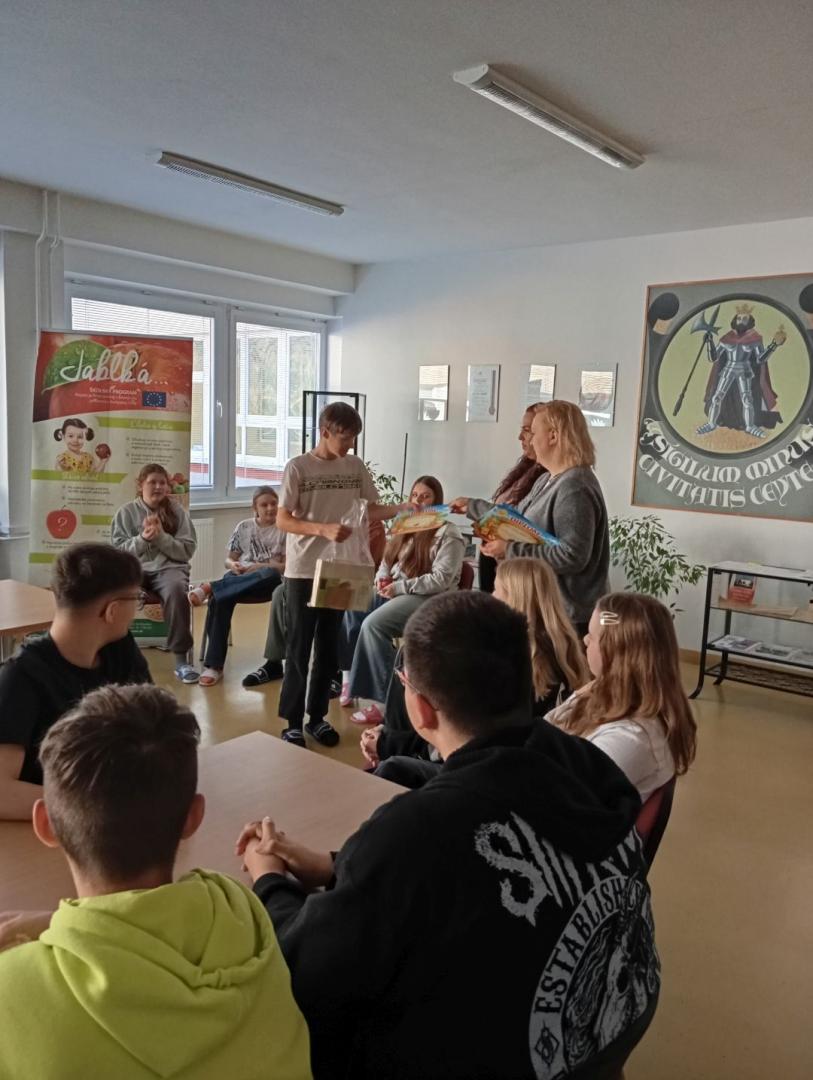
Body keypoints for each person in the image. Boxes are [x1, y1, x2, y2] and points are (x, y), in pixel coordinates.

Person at [237, 592, 660, 1079]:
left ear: (418, 707)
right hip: (611, 1041)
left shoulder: (418, 830)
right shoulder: (589, 769)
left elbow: (304, 971)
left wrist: (269, 879)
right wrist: (336, 865)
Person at [0, 684, 311, 1080]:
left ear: (45, 825)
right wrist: (55, 925)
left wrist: (58, 927)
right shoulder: (237, 908)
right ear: (193, 817)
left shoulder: (13, 989)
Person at [362, 556, 589, 789]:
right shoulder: (563, 654)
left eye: (497, 590)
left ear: (516, 599)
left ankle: (385, 741)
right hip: (515, 771)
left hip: (484, 775)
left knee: (409, 663)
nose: (490, 596)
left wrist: (388, 744)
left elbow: (463, 737)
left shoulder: (506, 664)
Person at [273, 402, 409, 748]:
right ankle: (292, 722)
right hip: (303, 570)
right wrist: (322, 529)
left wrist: (403, 509)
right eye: (344, 438)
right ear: (325, 432)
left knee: (329, 649)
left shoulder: (355, 466)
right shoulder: (298, 467)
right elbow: (282, 519)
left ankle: (317, 718)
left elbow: (371, 509)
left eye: (353, 438)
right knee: (299, 648)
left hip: (341, 570)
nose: (350, 445)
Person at [0, 543, 151, 821]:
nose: (137, 608)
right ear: (112, 610)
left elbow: (154, 726)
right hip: (57, 828)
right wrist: (96, 805)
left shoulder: (121, 649)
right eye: (136, 598)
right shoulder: (21, 677)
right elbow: (3, 793)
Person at [451, 399, 610, 635]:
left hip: (567, 617)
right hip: (545, 610)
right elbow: (515, 518)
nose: (529, 440)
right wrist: (473, 507)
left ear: (553, 436)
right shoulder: (548, 478)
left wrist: (509, 550)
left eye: (533, 433)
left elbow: (572, 557)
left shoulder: (575, 487)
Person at [547, 591, 697, 801]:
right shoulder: (604, 693)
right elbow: (550, 728)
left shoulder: (630, 740)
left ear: (617, 652)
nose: (585, 640)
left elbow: (561, 794)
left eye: (592, 636)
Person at [342, 474, 464, 723]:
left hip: (429, 597)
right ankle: (348, 677)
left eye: (425, 496)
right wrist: (381, 579)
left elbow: (441, 579)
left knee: (373, 626)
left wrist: (399, 587)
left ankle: (386, 704)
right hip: (399, 590)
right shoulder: (405, 525)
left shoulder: (448, 532)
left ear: (436, 501)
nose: (418, 501)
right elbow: (386, 562)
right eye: (415, 495)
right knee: (352, 603)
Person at [241, 518, 387, 689]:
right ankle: (274, 662)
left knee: (336, 598)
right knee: (281, 593)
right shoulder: (327, 518)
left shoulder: (373, 525)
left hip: (352, 578)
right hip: (317, 573)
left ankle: (336, 669)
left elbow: (368, 563)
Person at [188, 486, 286, 686]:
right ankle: (214, 666)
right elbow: (229, 560)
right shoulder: (244, 526)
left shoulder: (285, 528)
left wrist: (261, 566)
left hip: (268, 582)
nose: (270, 508)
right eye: (264, 505)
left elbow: (286, 567)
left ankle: (209, 587)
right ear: (255, 508)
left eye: (273, 504)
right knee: (221, 598)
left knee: (268, 573)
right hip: (239, 578)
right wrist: (233, 565)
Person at [111, 463, 199, 683]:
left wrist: (161, 538)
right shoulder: (126, 513)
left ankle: (181, 660)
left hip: (169, 569)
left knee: (177, 591)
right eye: (152, 482)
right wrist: (142, 539)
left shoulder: (177, 512)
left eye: (163, 483)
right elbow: (118, 554)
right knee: (113, 591)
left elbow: (186, 550)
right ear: (141, 485)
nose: (158, 487)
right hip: (135, 571)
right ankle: (116, 658)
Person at [478, 405, 547, 593]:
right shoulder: (526, 469)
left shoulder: (550, 479)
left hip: (518, 575)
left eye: (528, 430)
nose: (520, 437)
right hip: (499, 564)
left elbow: (519, 522)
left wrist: (508, 548)